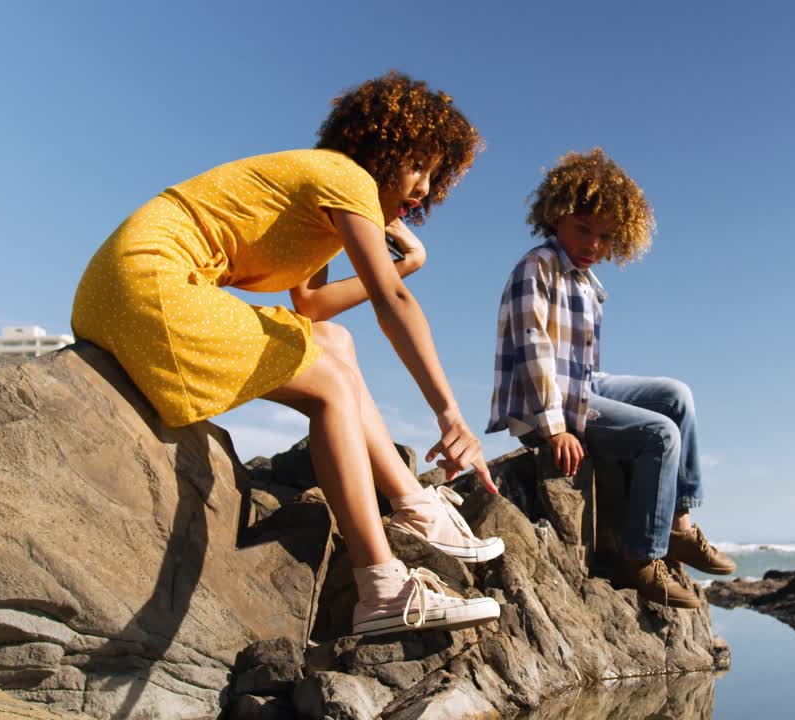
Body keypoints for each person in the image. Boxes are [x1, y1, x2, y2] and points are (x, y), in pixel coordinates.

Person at [72, 72, 503, 637]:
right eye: (416, 165)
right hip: (146, 284)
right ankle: (382, 589)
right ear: (379, 146)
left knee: (334, 344)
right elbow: (390, 302)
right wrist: (449, 413)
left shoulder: (327, 193)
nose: (423, 187)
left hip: (117, 287)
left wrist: (407, 263)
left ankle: (416, 509)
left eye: (434, 174)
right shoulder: (346, 177)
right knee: (329, 384)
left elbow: (312, 306)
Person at [486, 148, 736, 608]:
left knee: (676, 395)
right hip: (543, 405)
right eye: (583, 229)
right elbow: (532, 348)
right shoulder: (538, 267)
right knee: (659, 435)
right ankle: (640, 559)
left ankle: (679, 525)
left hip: (582, 387)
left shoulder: (586, 283)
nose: (593, 245)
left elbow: (583, 368)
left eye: (605, 237)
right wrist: (555, 428)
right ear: (556, 215)